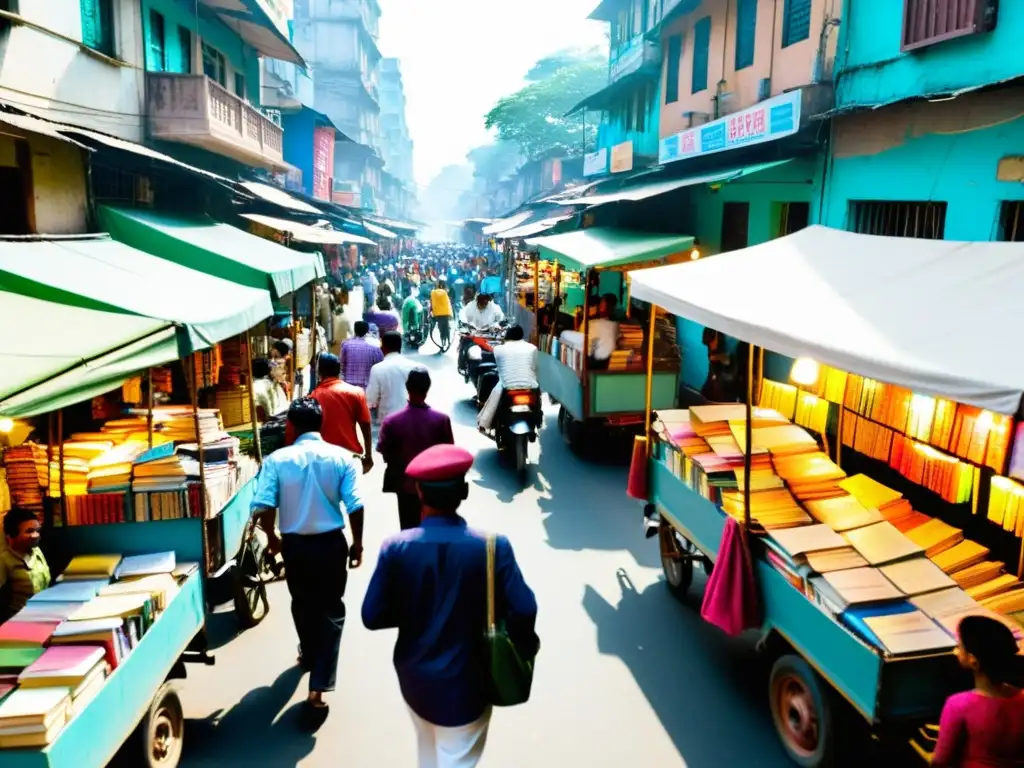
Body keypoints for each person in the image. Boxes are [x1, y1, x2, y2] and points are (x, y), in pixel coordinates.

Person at [362, 445, 538, 767]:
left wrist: (416, 606)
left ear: (418, 492)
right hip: (468, 687)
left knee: (428, 748)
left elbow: (371, 616)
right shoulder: (492, 546)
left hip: (414, 681)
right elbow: (524, 610)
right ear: (465, 492)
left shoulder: (395, 548)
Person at [252, 398, 365, 724]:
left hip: (295, 547)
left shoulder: (276, 460)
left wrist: (272, 539)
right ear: (321, 424)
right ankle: (318, 689)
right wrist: (357, 545)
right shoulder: (342, 458)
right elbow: (355, 506)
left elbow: (263, 503)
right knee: (331, 612)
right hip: (331, 546)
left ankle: (308, 651)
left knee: (302, 603)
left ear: (291, 425)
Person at [932, 615, 1024, 767]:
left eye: (960, 646)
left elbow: (941, 761)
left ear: (973, 660)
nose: (956, 650)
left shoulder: (958, 705)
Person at [377, 368, 454, 530]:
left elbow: (386, 455)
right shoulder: (441, 420)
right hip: (434, 489)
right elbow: (449, 456)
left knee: (408, 530)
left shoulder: (391, 422)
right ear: (428, 388)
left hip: (405, 487)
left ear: (407, 387)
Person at [302, 353, 374, 474]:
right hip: (350, 455)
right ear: (339, 370)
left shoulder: (313, 397)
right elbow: (365, 425)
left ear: (319, 372)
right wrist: (368, 455)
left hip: (323, 458)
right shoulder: (356, 392)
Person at [477, 324, 538, 432]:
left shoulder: (499, 349)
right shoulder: (533, 348)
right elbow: (535, 367)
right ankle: (538, 421)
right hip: (530, 385)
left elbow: (495, 359)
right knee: (538, 395)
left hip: (508, 386)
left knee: (494, 390)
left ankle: (484, 422)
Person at [0, 508, 50, 623]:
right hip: (20, 620)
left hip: (44, 614)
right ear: (11, 536)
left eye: (37, 530)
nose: (35, 535)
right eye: (29, 531)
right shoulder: (5, 560)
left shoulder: (36, 551)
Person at [366, 331, 420, 425]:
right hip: (412, 418)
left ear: (384, 347)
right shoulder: (414, 366)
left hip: (388, 420)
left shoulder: (377, 369)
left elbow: (371, 399)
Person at [340, 320, 384, 389]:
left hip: (348, 387)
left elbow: (342, 365)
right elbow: (380, 366)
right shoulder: (374, 347)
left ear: (355, 330)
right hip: (366, 387)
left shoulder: (346, 345)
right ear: (367, 331)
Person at [587, 293, 620, 371]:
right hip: (592, 356)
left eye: (604, 303)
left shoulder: (615, 322)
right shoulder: (591, 320)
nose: (602, 305)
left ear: (611, 306)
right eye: (601, 303)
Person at [252, 358, 288, 422]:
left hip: (271, 416)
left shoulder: (256, 384)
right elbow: (268, 405)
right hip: (274, 416)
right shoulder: (268, 384)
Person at [430, 279, 454, 349]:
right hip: (446, 313)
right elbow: (449, 303)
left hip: (438, 314)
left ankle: (443, 341)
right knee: (447, 327)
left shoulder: (433, 292)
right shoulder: (445, 292)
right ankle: (448, 341)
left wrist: (431, 313)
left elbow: (431, 303)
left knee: (441, 328)